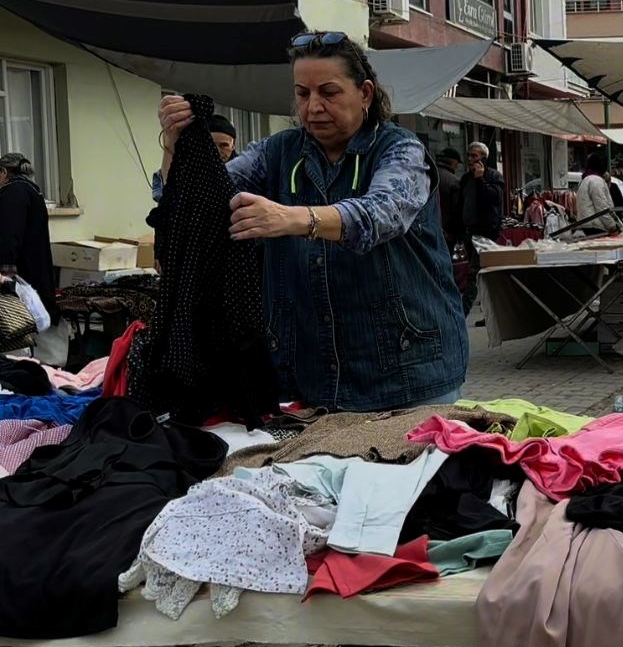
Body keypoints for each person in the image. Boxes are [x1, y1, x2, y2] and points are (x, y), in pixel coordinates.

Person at [156, 31, 467, 411]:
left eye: (329, 92)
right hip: (310, 376)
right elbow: (195, 204)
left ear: (365, 93)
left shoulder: (400, 150)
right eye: (303, 94)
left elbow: (381, 211)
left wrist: (291, 218)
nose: (313, 106)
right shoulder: (277, 153)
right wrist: (175, 147)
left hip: (408, 375)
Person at [0, 153, 62, 364]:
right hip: (36, 268)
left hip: (20, 271)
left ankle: (22, 366)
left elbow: (9, 234)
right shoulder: (33, 191)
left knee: (17, 321)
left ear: (3, 173)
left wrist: (5, 272)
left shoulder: (12, 192)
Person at [459, 141, 504, 316]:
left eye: (474, 156)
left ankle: (462, 312)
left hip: (486, 233)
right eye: (469, 155)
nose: (470, 159)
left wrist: (481, 179)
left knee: (474, 273)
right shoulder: (465, 179)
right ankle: (490, 312)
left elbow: (493, 199)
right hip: (469, 232)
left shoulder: (493, 176)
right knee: (481, 274)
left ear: (483, 159)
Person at [575, 152, 620, 235]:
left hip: (586, 223)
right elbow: (602, 207)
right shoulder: (596, 181)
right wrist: (612, 226)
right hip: (596, 225)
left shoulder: (585, 180)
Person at [436, 147, 465, 248]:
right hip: (447, 233)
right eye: (457, 164)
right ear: (453, 163)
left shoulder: (427, 175)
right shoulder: (454, 182)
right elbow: (457, 211)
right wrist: (458, 235)